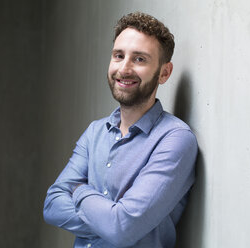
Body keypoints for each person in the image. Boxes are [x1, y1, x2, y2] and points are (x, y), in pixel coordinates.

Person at [43, 12, 198, 248]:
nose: (124, 69)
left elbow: (122, 228)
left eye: (139, 59)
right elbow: (52, 205)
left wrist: (79, 191)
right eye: (118, 56)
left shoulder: (175, 139)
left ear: (164, 73)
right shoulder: (95, 132)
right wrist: (108, 219)